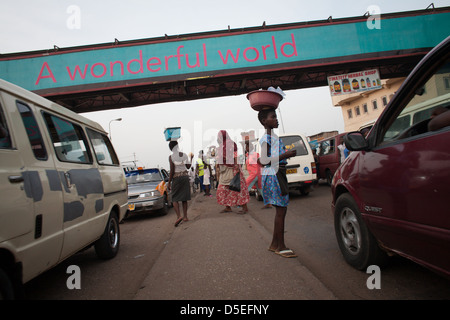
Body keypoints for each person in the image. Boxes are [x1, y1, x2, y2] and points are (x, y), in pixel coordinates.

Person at [257, 108, 297, 258]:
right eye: (273, 117)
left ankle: (275, 244)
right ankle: (281, 246)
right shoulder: (266, 138)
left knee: (281, 210)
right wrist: (285, 155)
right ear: (264, 121)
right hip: (274, 175)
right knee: (281, 211)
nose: (276, 119)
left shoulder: (272, 137)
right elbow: (263, 160)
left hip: (276, 173)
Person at [215, 130, 249, 214]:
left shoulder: (230, 144)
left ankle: (245, 208)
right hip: (224, 170)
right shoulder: (221, 146)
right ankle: (228, 207)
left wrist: (237, 166)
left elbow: (235, 155)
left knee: (237, 188)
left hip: (233, 168)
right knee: (223, 189)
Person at [168, 141, 193, 226]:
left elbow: (171, 171)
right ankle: (185, 217)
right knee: (184, 198)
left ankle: (179, 216)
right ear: (178, 146)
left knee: (175, 198)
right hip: (185, 177)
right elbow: (188, 167)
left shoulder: (171, 157)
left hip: (177, 178)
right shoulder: (184, 155)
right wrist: (191, 158)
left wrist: (169, 182)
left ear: (170, 148)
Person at [244, 139, 271, 209]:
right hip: (257, 174)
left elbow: (261, 162)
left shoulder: (254, 155)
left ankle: (243, 205)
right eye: (246, 146)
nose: (246, 148)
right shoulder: (250, 155)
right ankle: (268, 203)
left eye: (247, 146)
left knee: (245, 188)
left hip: (254, 175)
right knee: (260, 189)